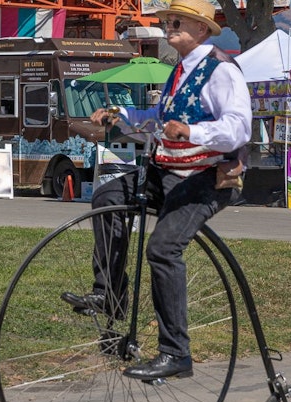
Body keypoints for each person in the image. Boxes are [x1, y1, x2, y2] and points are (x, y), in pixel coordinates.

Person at [61, 0, 252, 381]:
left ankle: (176, 352)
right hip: (167, 170)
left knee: (163, 248)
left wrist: (192, 132)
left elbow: (239, 128)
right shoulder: (179, 69)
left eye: (178, 20)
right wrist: (124, 115)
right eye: (167, 20)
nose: (169, 25)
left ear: (202, 29)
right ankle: (109, 294)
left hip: (206, 177)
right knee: (107, 197)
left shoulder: (221, 70)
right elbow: (160, 120)